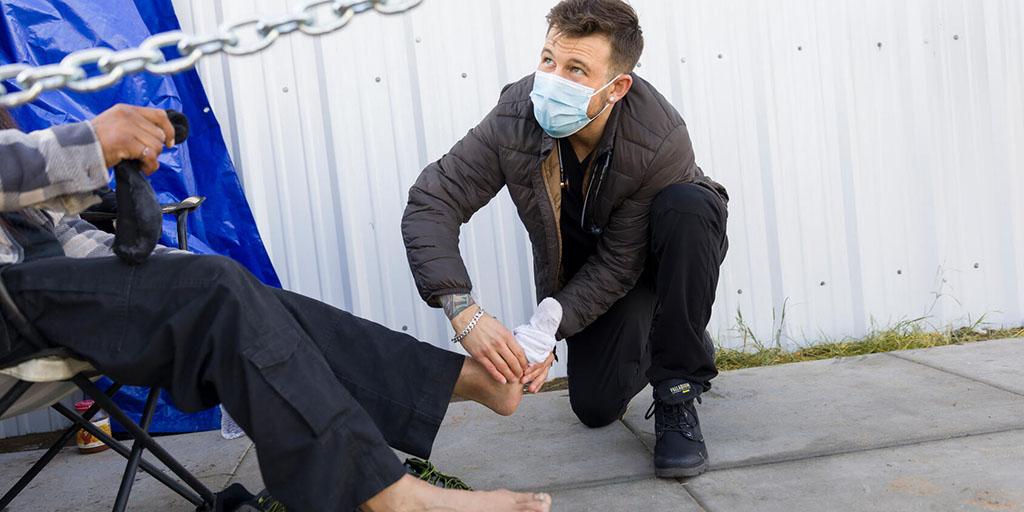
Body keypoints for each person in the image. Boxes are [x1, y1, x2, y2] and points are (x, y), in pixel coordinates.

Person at [0, 104, 551, 512]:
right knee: (214, 288)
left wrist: (102, 171)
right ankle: (387, 495)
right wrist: (89, 146)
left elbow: (34, 208)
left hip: (62, 273)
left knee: (249, 300)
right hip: (13, 309)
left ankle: (462, 379)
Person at [402, 0, 729, 478]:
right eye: (548, 59)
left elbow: (623, 261)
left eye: (577, 69)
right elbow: (434, 200)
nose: (553, 79)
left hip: (657, 256)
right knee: (595, 407)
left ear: (616, 86)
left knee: (688, 206)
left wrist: (548, 322)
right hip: (592, 278)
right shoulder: (516, 113)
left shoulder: (660, 136)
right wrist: (463, 310)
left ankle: (678, 386)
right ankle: (672, 333)